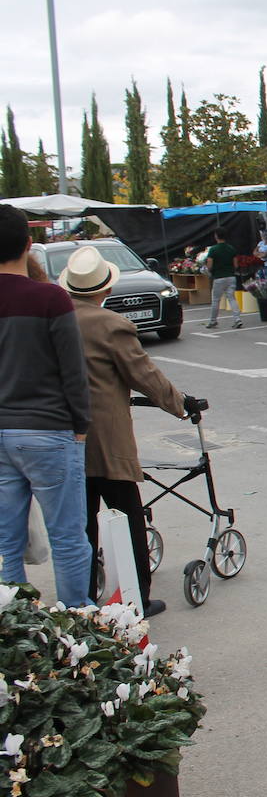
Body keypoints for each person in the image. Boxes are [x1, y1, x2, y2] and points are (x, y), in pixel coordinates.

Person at [60, 247, 190, 618]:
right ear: (104, 289)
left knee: (79, 523)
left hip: (63, 436)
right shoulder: (110, 325)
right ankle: (138, 596)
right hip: (104, 438)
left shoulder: (56, 319)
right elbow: (143, 375)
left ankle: (80, 598)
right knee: (127, 512)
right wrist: (180, 404)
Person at [0, 204, 93, 608]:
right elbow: (73, 371)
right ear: (28, 245)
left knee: (7, 541)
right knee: (68, 537)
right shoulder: (50, 298)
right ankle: (77, 626)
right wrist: (81, 425)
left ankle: (15, 624)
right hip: (48, 430)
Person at [205, 228, 243, 329]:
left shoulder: (213, 249)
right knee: (231, 298)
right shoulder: (231, 248)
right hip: (231, 277)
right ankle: (237, 319)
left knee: (216, 300)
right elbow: (235, 265)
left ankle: (213, 321)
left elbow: (209, 265)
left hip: (218, 277)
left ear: (216, 236)